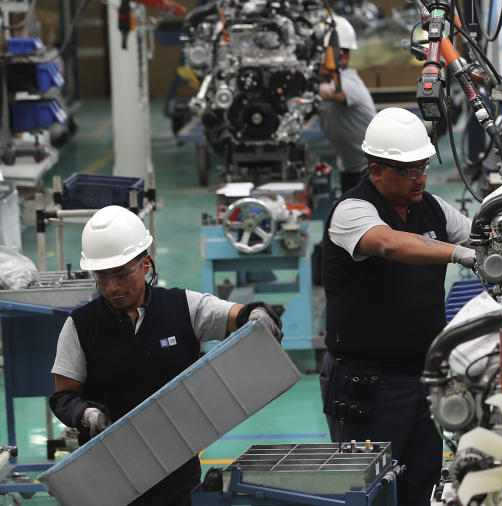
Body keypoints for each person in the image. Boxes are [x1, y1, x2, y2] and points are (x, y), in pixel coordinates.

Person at [48, 206, 284, 506]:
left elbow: (239, 315)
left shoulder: (183, 307)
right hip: (109, 475)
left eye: (121, 274)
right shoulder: (80, 325)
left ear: (145, 263)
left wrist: (259, 314)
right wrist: (85, 415)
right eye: (102, 278)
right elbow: (63, 396)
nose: (112, 287)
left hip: (175, 474)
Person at [319, 107, 474, 506]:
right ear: (375, 170)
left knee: (421, 481)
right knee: (368, 491)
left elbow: (483, 234)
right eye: (407, 170)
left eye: (422, 166)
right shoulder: (352, 211)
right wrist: (459, 254)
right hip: (369, 385)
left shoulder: (433, 208)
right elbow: (389, 243)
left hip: (423, 378)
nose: (419, 177)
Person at [316, 15, 377, 193]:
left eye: (321, 54)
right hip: (349, 166)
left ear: (341, 56)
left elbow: (328, 91)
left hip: (369, 169)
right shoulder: (327, 79)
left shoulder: (348, 81)